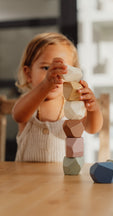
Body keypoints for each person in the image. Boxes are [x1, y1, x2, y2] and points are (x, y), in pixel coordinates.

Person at [12, 32, 103, 162]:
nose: (55, 75)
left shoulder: (74, 106)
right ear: (29, 74)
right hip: (27, 180)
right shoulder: (29, 103)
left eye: (63, 70)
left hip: (62, 180)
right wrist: (45, 85)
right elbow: (18, 115)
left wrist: (93, 109)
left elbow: (93, 128)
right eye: (46, 68)